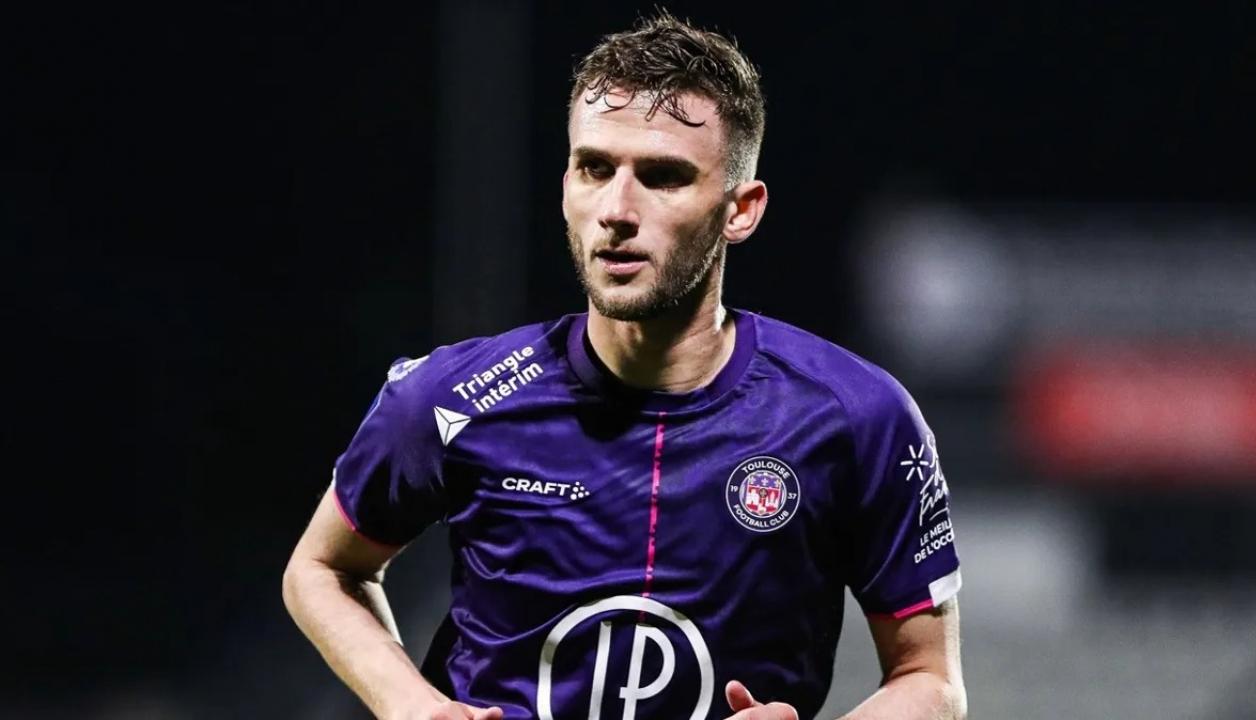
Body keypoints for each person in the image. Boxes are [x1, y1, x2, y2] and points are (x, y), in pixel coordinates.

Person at [283, 11, 965, 720]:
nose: (616, 208)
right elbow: (322, 569)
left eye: (663, 177)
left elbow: (931, 681)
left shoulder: (858, 416)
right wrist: (411, 705)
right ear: (566, 186)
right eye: (595, 168)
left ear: (741, 210)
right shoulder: (454, 397)